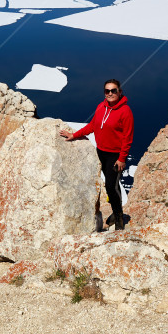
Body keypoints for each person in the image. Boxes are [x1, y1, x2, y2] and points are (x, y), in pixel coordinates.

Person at [60, 79, 133, 230]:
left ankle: (119, 216)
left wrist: (121, 158)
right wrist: (74, 135)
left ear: (120, 92)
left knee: (111, 187)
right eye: (107, 91)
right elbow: (93, 125)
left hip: (115, 156)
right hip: (101, 152)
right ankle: (116, 210)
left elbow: (127, 137)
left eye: (113, 91)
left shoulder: (125, 112)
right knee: (110, 185)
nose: (110, 93)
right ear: (104, 93)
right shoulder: (101, 107)